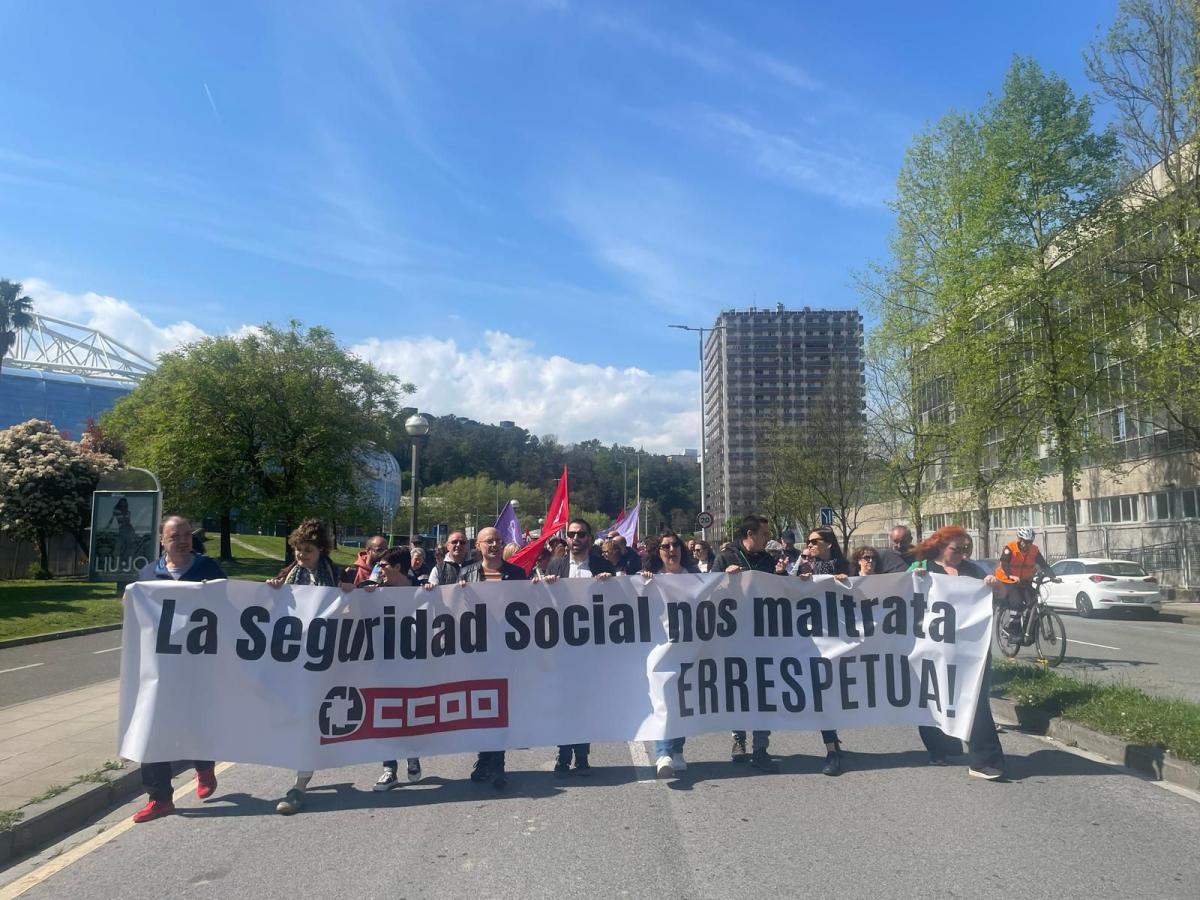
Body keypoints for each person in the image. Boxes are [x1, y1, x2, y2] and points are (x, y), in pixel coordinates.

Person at [130, 516, 226, 824]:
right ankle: (159, 798)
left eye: (187, 534)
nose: (183, 540)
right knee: (151, 728)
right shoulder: (148, 575)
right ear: (162, 540)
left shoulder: (209, 570)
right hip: (159, 668)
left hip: (199, 665)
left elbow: (231, 608)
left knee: (195, 720)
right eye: (175, 536)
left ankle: (204, 766)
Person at [267, 518, 353, 815]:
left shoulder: (337, 576)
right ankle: (303, 772)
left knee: (311, 719)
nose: (301, 556)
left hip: (326, 661)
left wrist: (355, 593)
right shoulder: (288, 576)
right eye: (298, 550)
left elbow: (354, 610)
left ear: (321, 551)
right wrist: (271, 590)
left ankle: (299, 785)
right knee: (297, 717)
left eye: (308, 551)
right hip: (292, 661)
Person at [908, 526, 1007, 780]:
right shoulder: (922, 568)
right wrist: (914, 581)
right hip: (933, 650)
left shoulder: (974, 570)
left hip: (970, 651)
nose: (963, 554)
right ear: (941, 546)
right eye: (957, 549)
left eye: (966, 549)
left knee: (976, 700)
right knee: (933, 698)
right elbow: (900, 597)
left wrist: (995, 586)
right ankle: (942, 747)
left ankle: (984, 760)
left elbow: (1002, 595)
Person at [453, 527, 527, 789]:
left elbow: (527, 605)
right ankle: (484, 758)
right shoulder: (466, 573)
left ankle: (497, 765)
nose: (494, 545)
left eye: (498, 541)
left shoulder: (517, 574)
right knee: (483, 709)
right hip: (477, 652)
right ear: (478, 545)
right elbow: (454, 610)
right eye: (489, 541)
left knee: (501, 709)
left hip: (506, 651)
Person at [542, 518, 615, 775]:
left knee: (584, 703)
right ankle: (563, 754)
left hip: (590, 647)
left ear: (589, 538)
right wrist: (543, 586)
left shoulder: (603, 566)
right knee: (564, 702)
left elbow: (618, 603)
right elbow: (541, 601)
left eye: (581, 534)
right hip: (561, 646)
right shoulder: (556, 565)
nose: (575, 538)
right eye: (572, 534)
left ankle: (582, 756)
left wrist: (610, 583)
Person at [713, 514, 779, 772]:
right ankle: (738, 738)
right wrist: (723, 578)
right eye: (764, 534)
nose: (768, 538)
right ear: (750, 534)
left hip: (763, 635)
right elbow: (708, 592)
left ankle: (761, 748)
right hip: (734, 636)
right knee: (738, 690)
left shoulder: (768, 560)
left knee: (763, 691)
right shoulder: (725, 558)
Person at [641, 531, 699, 778]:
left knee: (681, 701)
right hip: (660, 650)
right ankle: (663, 752)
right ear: (659, 552)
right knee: (663, 698)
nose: (671, 550)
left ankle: (676, 750)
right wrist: (643, 582)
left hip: (687, 649)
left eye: (675, 545)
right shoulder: (650, 579)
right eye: (665, 546)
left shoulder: (696, 578)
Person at [795, 526, 850, 776]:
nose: (809, 545)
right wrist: (799, 580)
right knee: (822, 692)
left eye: (814, 541)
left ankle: (834, 739)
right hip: (816, 639)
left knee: (838, 691)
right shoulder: (806, 567)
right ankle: (831, 750)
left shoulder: (846, 566)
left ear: (828, 543)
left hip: (843, 638)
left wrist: (848, 582)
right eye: (808, 542)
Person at [993, 527, 1058, 636]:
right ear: (1020, 539)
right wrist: (1011, 575)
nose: (1028, 544)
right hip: (1007, 580)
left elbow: (1043, 564)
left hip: (1023, 580)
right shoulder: (1010, 548)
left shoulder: (1034, 550)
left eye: (1030, 542)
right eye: (1026, 542)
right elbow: (1004, 563)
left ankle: (1027, 630)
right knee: (1017, 603)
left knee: (1033, 603)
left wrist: (1053, 576)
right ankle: (1012, 630)